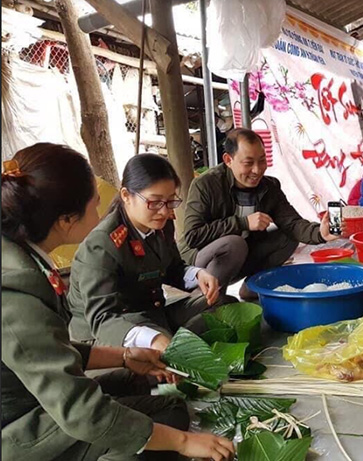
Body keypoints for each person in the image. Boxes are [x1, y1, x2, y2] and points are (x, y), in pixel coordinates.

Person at [1, 143, 234, 461]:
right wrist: (183, 442)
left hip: (53, 387)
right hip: (25, 425)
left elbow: (42, 349)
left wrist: (124, 357)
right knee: (160, 427)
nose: (100, 214)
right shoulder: (22, 291)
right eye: (95, 205)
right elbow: (81, 407)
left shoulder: (22, 259)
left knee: (154, 385)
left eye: (170, 202)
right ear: (67, 219)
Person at [68, 154, 227, 352]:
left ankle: (175, 342)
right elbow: (102, 319)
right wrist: (153, 339)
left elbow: (173, 268)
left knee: (224, 305)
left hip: (152, 314)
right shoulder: (102, 245)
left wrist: (198, 275)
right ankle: (171, 345)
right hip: (110, 333)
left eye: (170, 202)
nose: (164, 211)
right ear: (126, 196)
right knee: (165, 353)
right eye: (155, 202)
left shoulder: (161, 225)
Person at [179, 128, 339, 300]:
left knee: (287, 236)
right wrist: (243, 223)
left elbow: (292, 223)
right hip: (200, 261)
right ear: (228, 160)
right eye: (248, 163)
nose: (257, 170)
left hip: (242, 255)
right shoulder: (206, 185)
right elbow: (192, 236)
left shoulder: (269, 187)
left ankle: (254, 287)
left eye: (262, 161)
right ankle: (210, 297)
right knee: (234, 243)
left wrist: (320, 233)